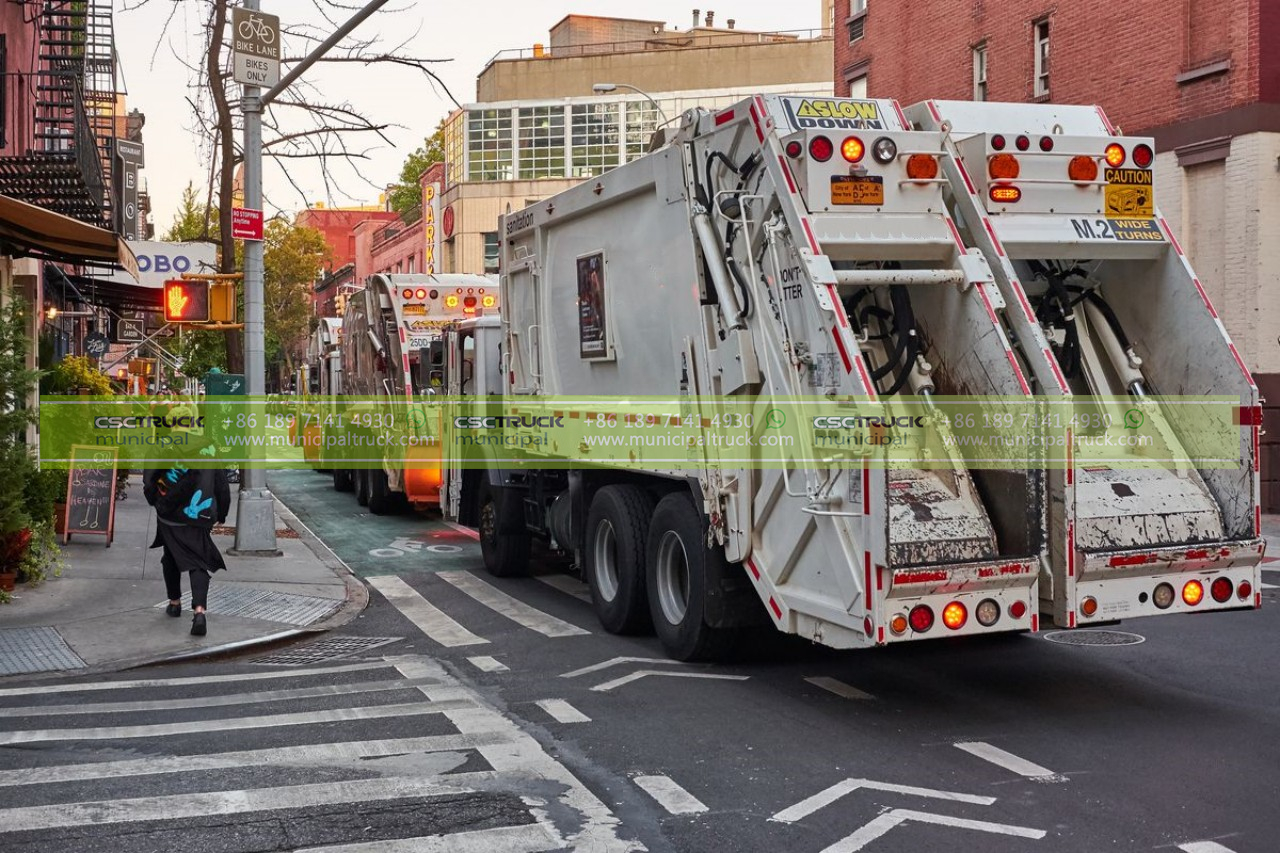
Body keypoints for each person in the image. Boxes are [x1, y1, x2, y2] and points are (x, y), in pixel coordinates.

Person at [143, 408, 230, 637]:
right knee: (198, 561)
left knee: (170, 555)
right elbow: (221, 481)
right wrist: (223, 512)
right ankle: (199, 611)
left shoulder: (161, 445)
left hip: (169, 515)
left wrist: (156, 501)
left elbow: (149, 480)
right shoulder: (208, 446)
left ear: (172, 423)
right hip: (199, 514)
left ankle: (174, 602)